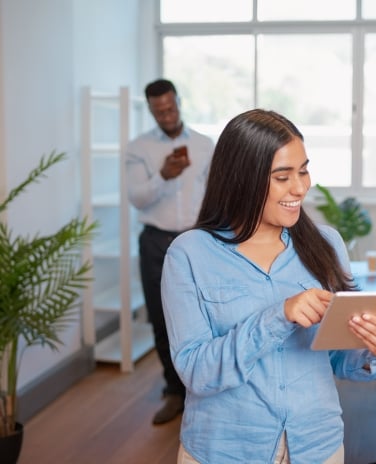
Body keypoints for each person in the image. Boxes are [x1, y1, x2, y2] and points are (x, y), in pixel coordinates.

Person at [160, 108, 376, 464]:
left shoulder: (326, 243)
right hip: (225, 450)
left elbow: (344, 360)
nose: (300, 187)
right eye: (283, 176)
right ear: (241, 179)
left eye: (304, 170)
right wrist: (278, 316)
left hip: (317, 447)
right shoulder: (189, 254)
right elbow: (196, 372)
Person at [125, 78, 214, 425]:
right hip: (157, 242)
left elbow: (217, 193)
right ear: (150, 110)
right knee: (161, 318)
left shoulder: (206, 145)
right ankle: (174, 391)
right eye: (158, 111)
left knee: (205, 313)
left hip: (198, 239)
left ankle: (203, 388)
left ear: (178, 101)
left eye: (170, 107)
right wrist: (163, 175)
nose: (166, 115)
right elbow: (137, 198)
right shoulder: (138, 148)